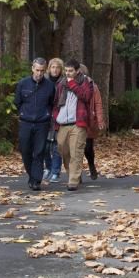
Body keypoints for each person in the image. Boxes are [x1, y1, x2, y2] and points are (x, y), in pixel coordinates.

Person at [15, 57, 55, 190]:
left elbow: (51, 103)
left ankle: (36, 181)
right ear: (32, 68)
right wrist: (23, 113)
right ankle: (32, 176)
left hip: (42, 123)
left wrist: (46, 114)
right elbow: (17, 102)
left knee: (39, 152)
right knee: (25, 150)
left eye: (42, 71)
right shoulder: (23, 84)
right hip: (25, 122)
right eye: (37, 70)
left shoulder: (49, 86)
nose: (39, 73)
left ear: (45, 70)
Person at [52, 58, 93, 191]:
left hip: (78, 123)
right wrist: (55, 116)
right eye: (66, 70)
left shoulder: (86, 82)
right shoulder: (61, 83)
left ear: (77, 71)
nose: (68, 73)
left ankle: (73, 180)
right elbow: (56, 102)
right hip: (63, 123)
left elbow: (86, 97)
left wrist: (73, 85)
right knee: (63, 150)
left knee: (76, 151)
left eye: (71, 71)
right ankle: (74, 174)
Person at [80, 64, 105, 180]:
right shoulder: (71, 85)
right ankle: (76, 174)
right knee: (75, 148)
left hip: (89, 121)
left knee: (88, 148)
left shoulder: (93, 86)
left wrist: (99, 119)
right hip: (75, 120)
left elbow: (98, 104)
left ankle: (91, 165)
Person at [43, 58, 64, 183]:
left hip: (59, 117)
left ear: (61, 69)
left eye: (57, 67)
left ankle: (56, 171)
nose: (55, 70)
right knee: (45, 146)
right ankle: (49, 167)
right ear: (49, 68)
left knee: (56, 146)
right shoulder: (44, 81)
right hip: (45, 116)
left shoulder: (64, 82)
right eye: (52, 67)